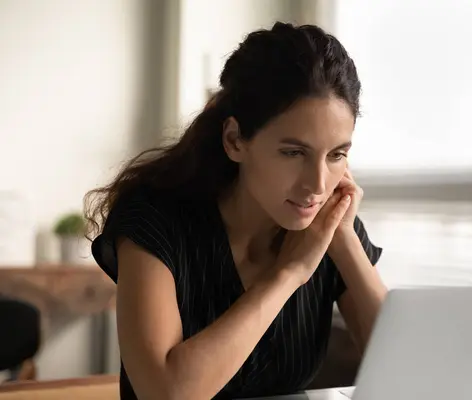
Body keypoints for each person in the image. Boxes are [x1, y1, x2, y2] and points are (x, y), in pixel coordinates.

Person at [85, 21, 387, 400]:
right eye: (294, 153)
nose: (319, 184)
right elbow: (165, 393)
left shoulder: (328, 220)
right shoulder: (155, 220)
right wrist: (288, 274)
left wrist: (344, 241)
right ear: (234, 140)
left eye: (337, 155)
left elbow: (413, 371)